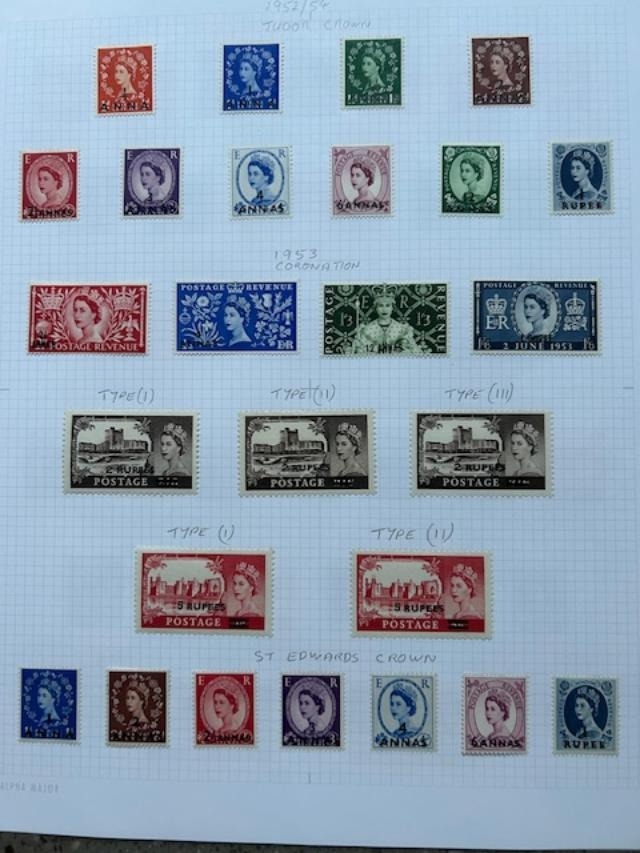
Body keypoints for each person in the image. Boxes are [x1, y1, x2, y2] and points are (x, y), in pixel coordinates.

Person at [351, 290, 421, 354]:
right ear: (376, 308)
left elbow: (414, 352)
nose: (384, 309)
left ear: (392, 308)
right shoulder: (366, 330)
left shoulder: (402, 329)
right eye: (380, 306)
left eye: (388, 305)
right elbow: (361, 352)